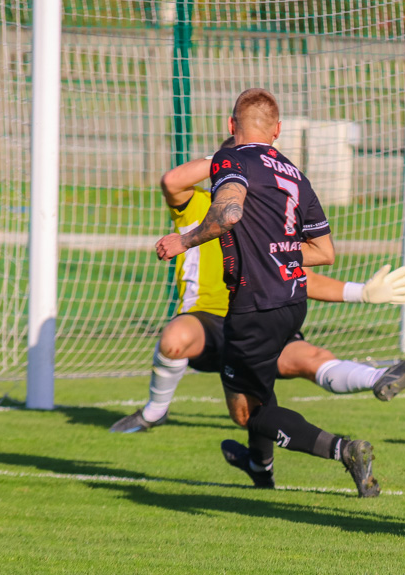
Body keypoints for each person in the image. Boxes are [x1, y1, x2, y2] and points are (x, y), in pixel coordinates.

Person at [111, 137, 405, 436]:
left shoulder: (268, 219)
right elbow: (172, 181)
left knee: (296, 372)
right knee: (174, 337)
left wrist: (360, 292)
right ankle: (154, 412)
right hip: (207, 321)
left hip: (256, 318)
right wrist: (232, 156)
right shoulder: (197, 204)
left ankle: (379, 378)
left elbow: (299, 276)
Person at [156, 89, 388, 497]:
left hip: (253, 306)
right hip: (291, 302)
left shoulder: (231, 159)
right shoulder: (296, 175)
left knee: (253, 413)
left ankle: (345, 449)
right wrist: (274, 251)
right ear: (278, 131)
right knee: (255, 395)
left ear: (232, 127)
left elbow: (228, 212)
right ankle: (259, 467)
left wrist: (185, 240)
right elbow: (324, 252)